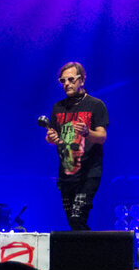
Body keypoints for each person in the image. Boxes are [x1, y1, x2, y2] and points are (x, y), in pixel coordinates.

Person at [44, 61, 109, 231]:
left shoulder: (95, 105)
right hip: (66, 174)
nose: (66, 84)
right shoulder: (58, 108)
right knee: (74, 224)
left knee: (77, 218)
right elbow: (51, 138)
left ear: (82, 80)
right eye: (62, 81)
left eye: (71, 79)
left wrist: (87, 132)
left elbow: (102, 137)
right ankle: (88, 247)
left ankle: (95, 247)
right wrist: (51, 138)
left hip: (88, 173)